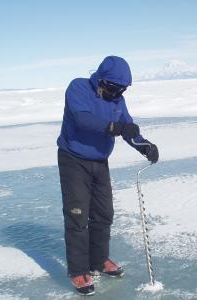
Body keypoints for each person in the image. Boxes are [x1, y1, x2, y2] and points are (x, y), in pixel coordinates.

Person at [57, 56, 159, 296]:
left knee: (104, 214)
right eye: (114, 87)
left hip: (100, 162)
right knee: (77, 216)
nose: (117, 93)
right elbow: (83, 119)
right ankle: (78, 270)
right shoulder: (79, 87)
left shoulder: (117, 100)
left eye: (123, 89)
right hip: (73, 160)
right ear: (102, 80)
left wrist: (143, 145)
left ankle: (99, 260)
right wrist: (116, 128)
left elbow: (127, 126)